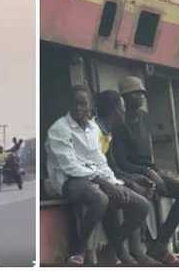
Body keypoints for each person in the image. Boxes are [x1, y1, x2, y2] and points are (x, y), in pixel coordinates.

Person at [46, 86, 150, 265]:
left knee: (142, 205)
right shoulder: (59, 129)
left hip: (94, 177)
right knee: (100, 198)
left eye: (83, 104)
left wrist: (114, 183)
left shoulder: (93, 128)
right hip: (68, 180)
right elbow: (70, 167)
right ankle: (77, 250)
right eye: (75, 104)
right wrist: (104, 183)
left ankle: (112, 248)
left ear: (90, 106)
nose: (78, 108)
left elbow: (100, 161)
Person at [113, 77, 179, 265]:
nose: (141, 96)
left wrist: (155, 170)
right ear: (124, 98)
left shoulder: (144, 118)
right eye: (136, 93)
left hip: (149, 171)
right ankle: (139, 249)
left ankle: (160, 244)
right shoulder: (119, 125)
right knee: (145, 193)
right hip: (132, 175)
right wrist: (147, 173)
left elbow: (147, 153)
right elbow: (122, 163)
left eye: (142, 93)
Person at [95, 90, 161, 265]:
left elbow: (112, 168)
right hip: (95, 182)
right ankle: (117, 251)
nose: (124, 112)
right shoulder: (95, 133)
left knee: (138, 191)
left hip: (106, 179)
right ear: (115, 110)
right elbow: (99, 171)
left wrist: (135, 179)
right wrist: (129, 183)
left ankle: (130, 252)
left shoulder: (106, 132)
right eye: (122, 107)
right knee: (139, 204)